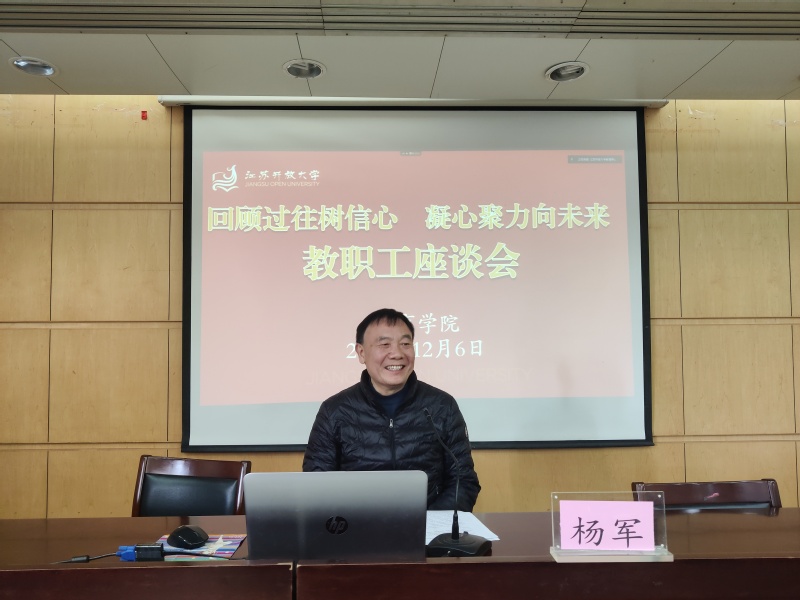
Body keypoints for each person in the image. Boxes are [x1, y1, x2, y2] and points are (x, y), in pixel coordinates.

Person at [303, 308, 481, 511]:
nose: (397, 354)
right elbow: (316, 485)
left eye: (405, 344)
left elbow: (463, 481)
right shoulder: (335, 410)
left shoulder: (442, 406)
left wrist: (428, 522)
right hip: (357, 526)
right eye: (384, 344)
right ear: (361, 353)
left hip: (428, 526)